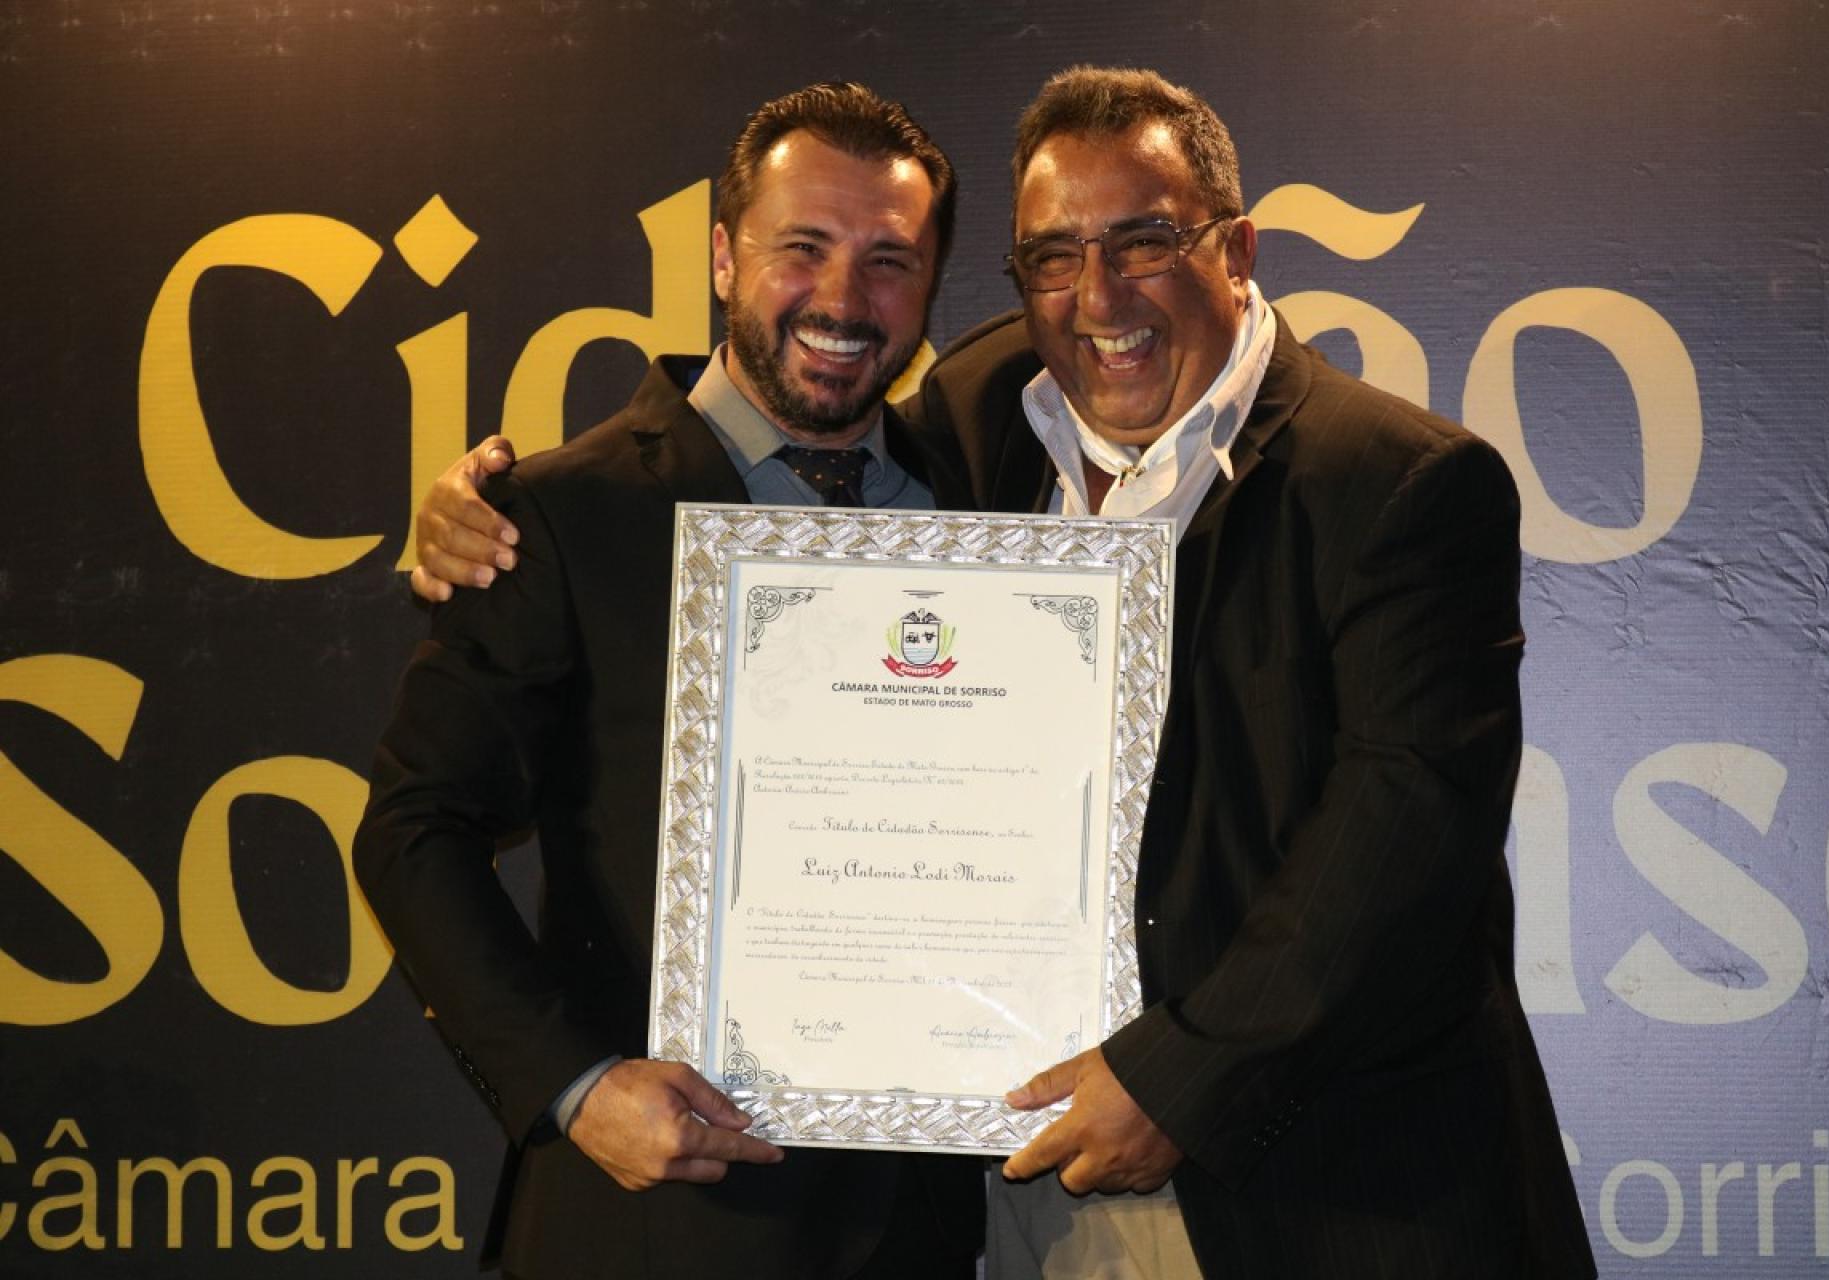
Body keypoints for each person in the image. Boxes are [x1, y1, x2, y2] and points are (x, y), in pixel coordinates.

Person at [414, 67, 1597, 1280]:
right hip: (1032, 1202)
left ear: (1237, 250)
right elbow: (429, 813)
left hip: (1332, 1201)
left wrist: (1177, 1078)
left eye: (1145, 241)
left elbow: (1400, 842)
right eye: (1052, 257)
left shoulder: (1399, 481)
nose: (1099, 296)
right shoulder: (978, 432)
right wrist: (472, 511)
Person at [353, 83, 984, 1280]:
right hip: (649, 1222)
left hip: (926, 1230)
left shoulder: (983, 505)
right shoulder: (557, 514)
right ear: (723, 255)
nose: (844, 298)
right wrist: (579, 1088)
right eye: (803, 247)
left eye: (890, 260)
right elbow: (413, 829)